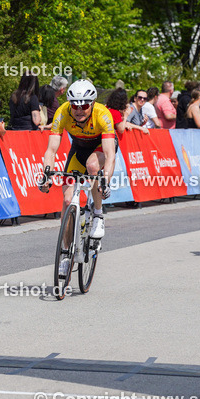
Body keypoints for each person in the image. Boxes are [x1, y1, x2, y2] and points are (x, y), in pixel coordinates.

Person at [38, 80, 116, 275]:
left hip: (100, 150)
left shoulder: (102, 115)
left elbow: (110, 154)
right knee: (66, 200)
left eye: (84, 106)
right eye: (75, 105)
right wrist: (46, 174)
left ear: (92, 104)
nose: (79, 110)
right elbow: (51, 149)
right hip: (78, 150)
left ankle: (97, 213)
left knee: (92, 166)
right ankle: (66, 254)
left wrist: (105, 180)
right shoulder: (63, 112)